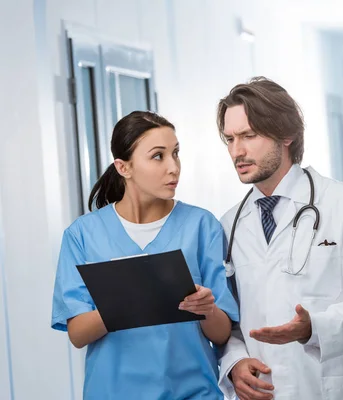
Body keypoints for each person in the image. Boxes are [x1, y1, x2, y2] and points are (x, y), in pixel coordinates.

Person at [215, 77, 343, 400]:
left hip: (336, 388)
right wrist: (234, 362)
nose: (237, 151)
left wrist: (315, 327)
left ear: (286, 135)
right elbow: (228, 319)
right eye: (230, 139)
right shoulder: (229, 224)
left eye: (249, 136)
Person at [51, 111, 239, 399]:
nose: (173, 167)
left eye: (176, 154)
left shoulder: (202, 227)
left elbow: (222, 332)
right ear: (123, 167)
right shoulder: (82, 235)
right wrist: (129, 297)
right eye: (158, 156)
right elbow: (78, 334)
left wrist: (207, 309)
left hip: (193, 392)